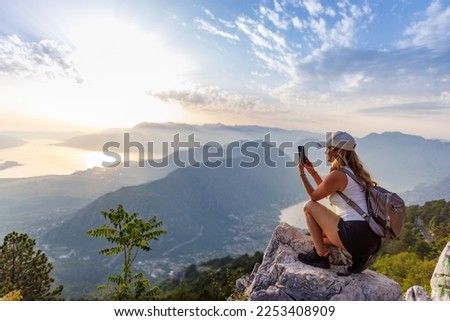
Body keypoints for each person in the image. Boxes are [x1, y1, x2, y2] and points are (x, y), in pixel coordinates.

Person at [297, 131, 381, 274]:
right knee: (319, 236)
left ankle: (320, 256)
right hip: (371, 239)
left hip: (355, 234)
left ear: (338, 150)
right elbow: (328, 192)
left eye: (328, 148)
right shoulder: (355, 172)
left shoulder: (338, 175)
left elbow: (314, 196)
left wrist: (302, 173)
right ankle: (359, 257)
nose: (325, 152)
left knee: (308, 206)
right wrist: (312, 172)